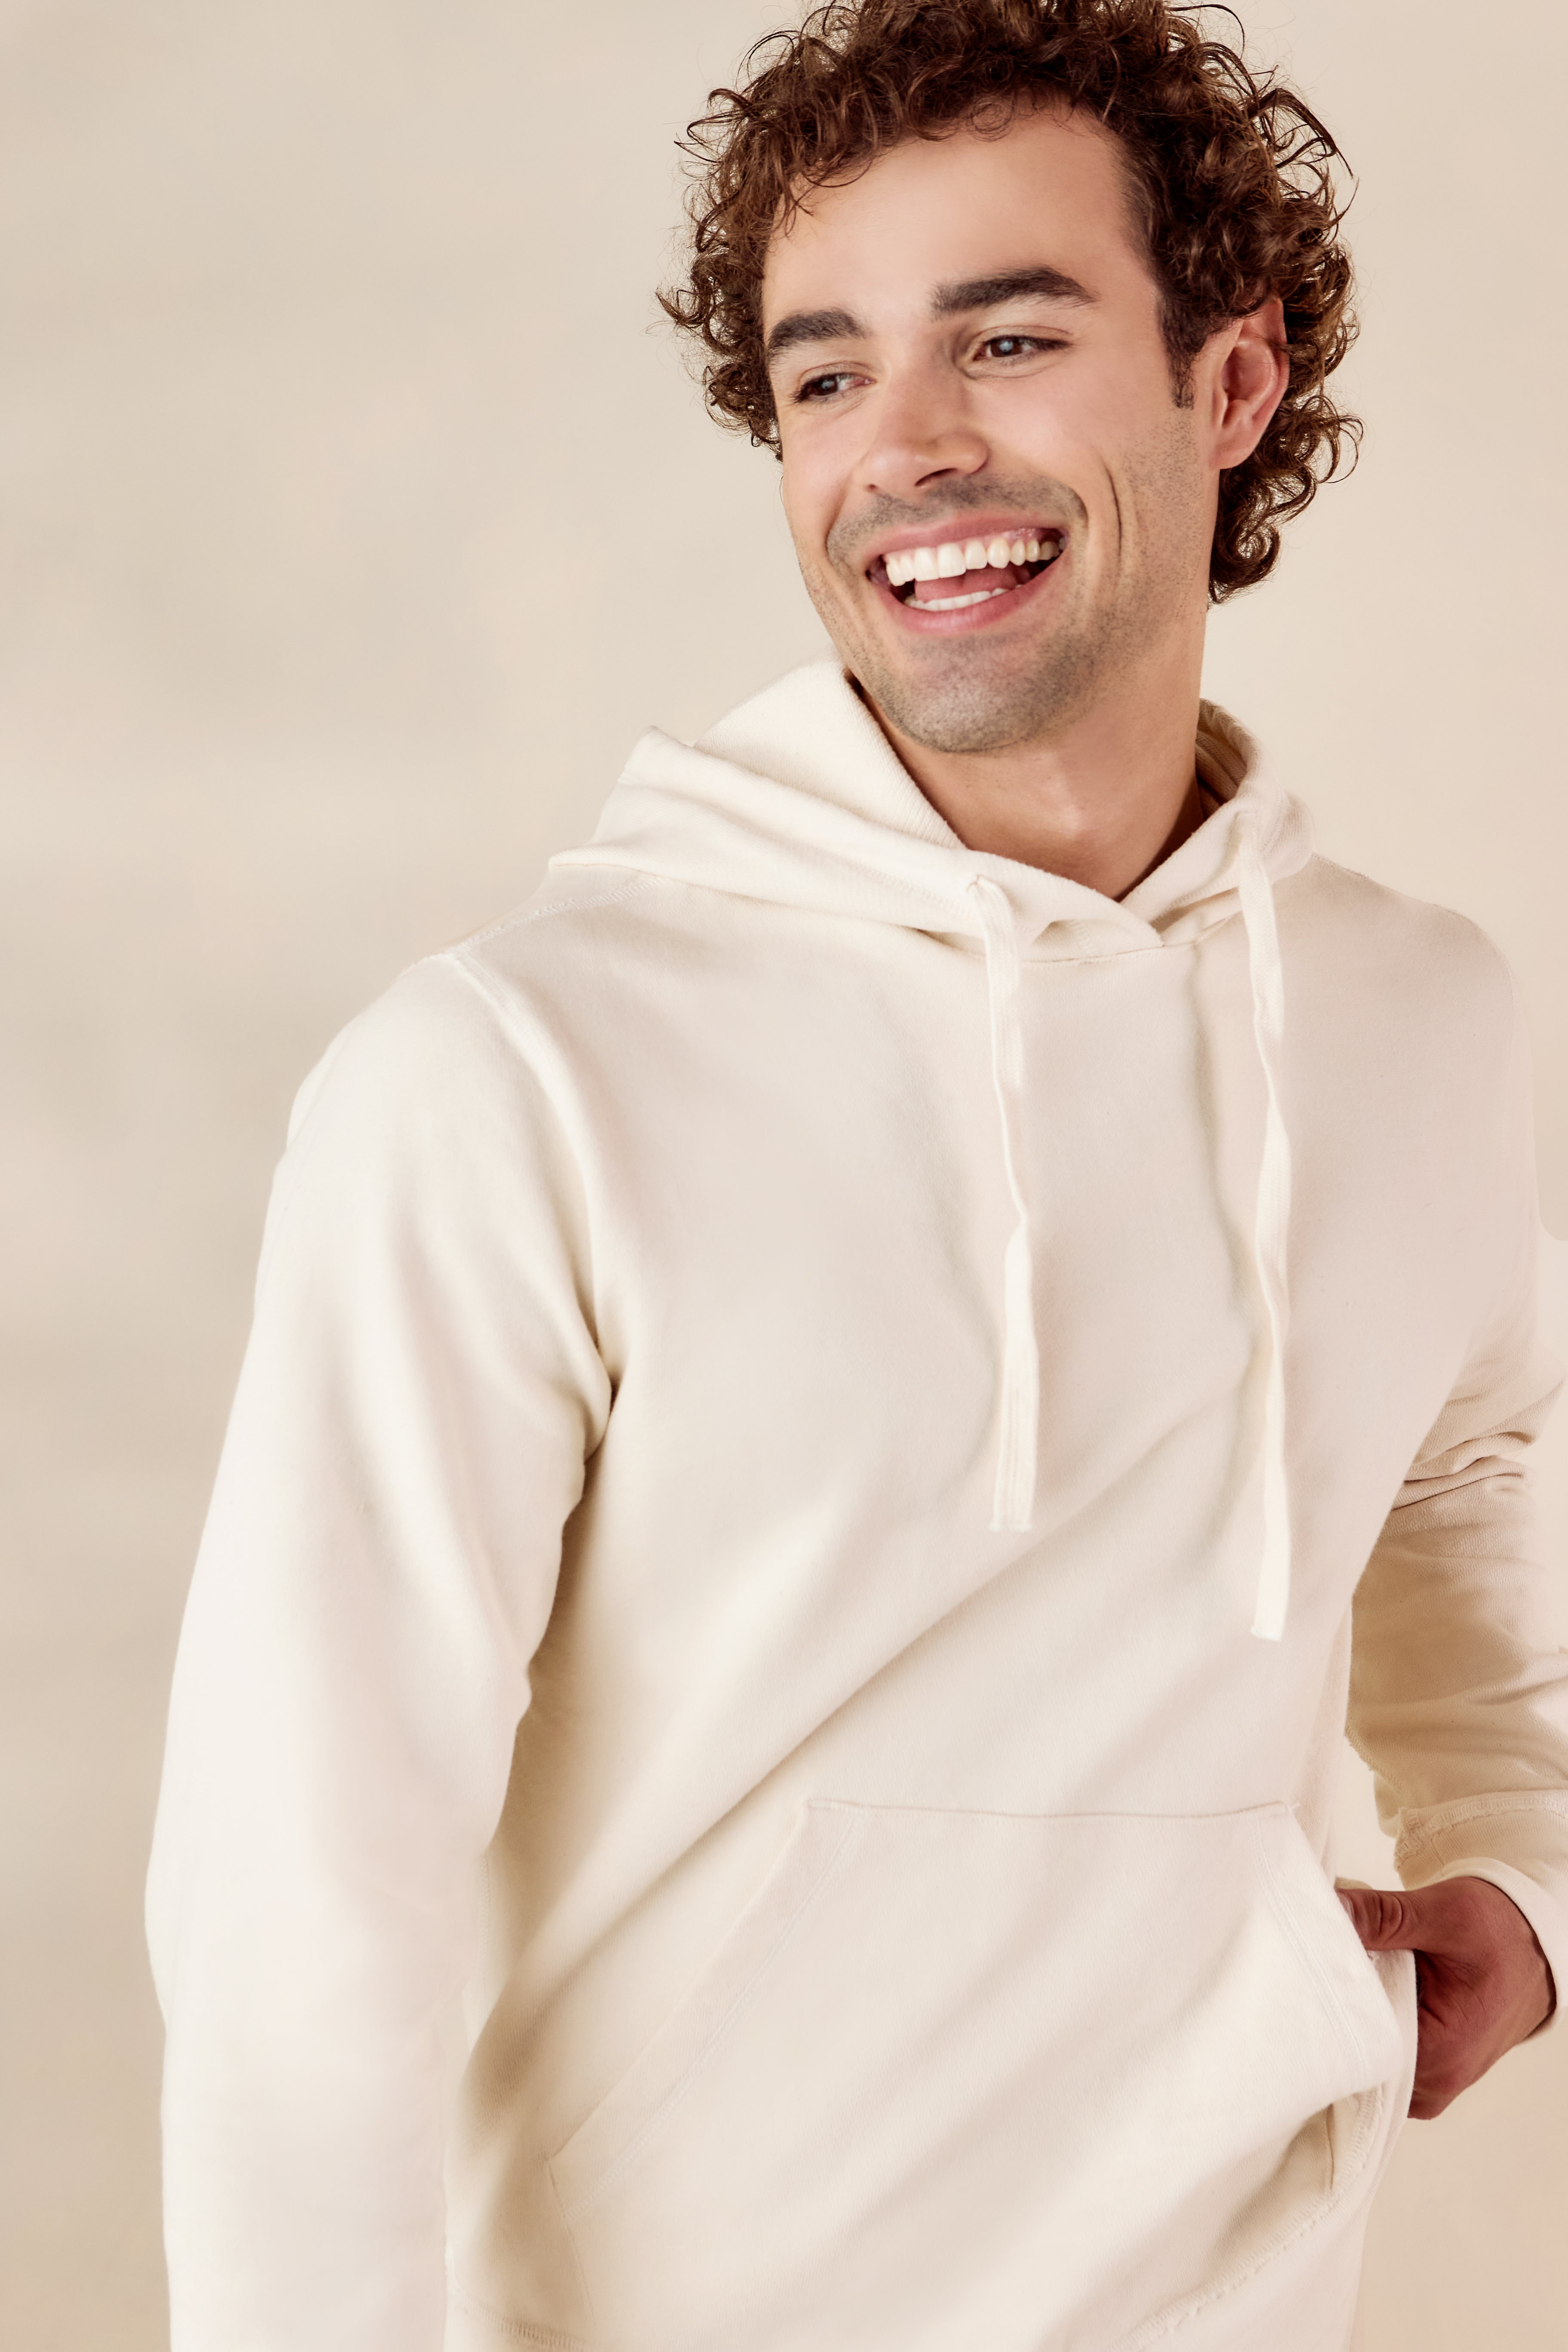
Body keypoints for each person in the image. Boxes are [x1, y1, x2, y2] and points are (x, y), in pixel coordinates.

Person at [146, 3, 1568, 2347]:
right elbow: (301, 1895)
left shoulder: (1414, 1018)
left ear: (1231, 382)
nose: (903, 446)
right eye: (825, 373)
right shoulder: (515, 1078)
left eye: (1005, 337)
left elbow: (1476, 1451)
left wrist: (1510, 1848)